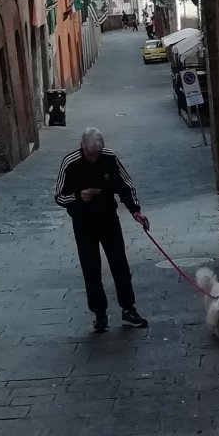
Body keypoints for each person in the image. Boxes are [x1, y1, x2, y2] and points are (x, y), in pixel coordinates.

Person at [54, 127, 149, 332]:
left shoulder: (109, 158)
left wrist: (135, 210)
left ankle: (128, 310)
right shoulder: (70, 162)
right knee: (91, 269)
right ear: (82, 147)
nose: (94, 158)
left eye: (97, 154)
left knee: (120, 264)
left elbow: (125, 185)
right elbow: (59, 196)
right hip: (83, 223)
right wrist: (78, 197)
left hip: (108, 219)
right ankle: (99, 314)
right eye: (90, 154)